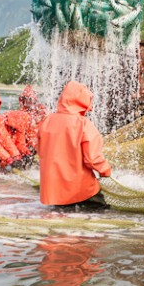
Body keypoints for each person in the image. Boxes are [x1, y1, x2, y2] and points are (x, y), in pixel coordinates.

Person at [38, 81, 112, 209]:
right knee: (99, 215)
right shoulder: (82, 123)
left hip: (54, 188)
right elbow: (92, 158)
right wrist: (105, 170)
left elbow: (40, 150)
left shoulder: (47, 120)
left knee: (62, 220)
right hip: (80, 186)